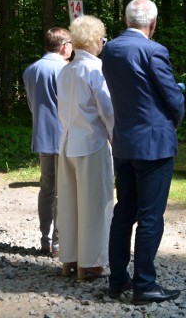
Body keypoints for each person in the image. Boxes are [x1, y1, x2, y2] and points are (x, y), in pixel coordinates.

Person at [101, 0, 185, 305]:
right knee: (150, 216)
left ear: (126, 20)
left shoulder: (109, 49)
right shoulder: (154, 50)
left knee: (124, 212)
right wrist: (174, 121)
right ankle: (145, 284)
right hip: (154, 143)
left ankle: (117, 281)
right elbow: (173, 98)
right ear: (152, 23)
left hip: (123, 141)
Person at [56, 15, 114, 281]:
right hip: (91, 143)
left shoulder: (66, 70)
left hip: (67, 142)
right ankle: (90, 264)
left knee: (69, 203)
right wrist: (116, 138)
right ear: (95, 41)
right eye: (102, 38)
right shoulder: (96, 70)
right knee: (95, 205)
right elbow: (107, 110)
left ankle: (70, 258)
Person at [23, 27, 73, 257]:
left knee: (46, 189)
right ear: (64, 46)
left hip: (42, 135)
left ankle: (45, 239)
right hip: (64, 136)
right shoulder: (64, 69)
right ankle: (58, 243)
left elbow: (32, 106)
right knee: (62, 191)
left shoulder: (31, 70)